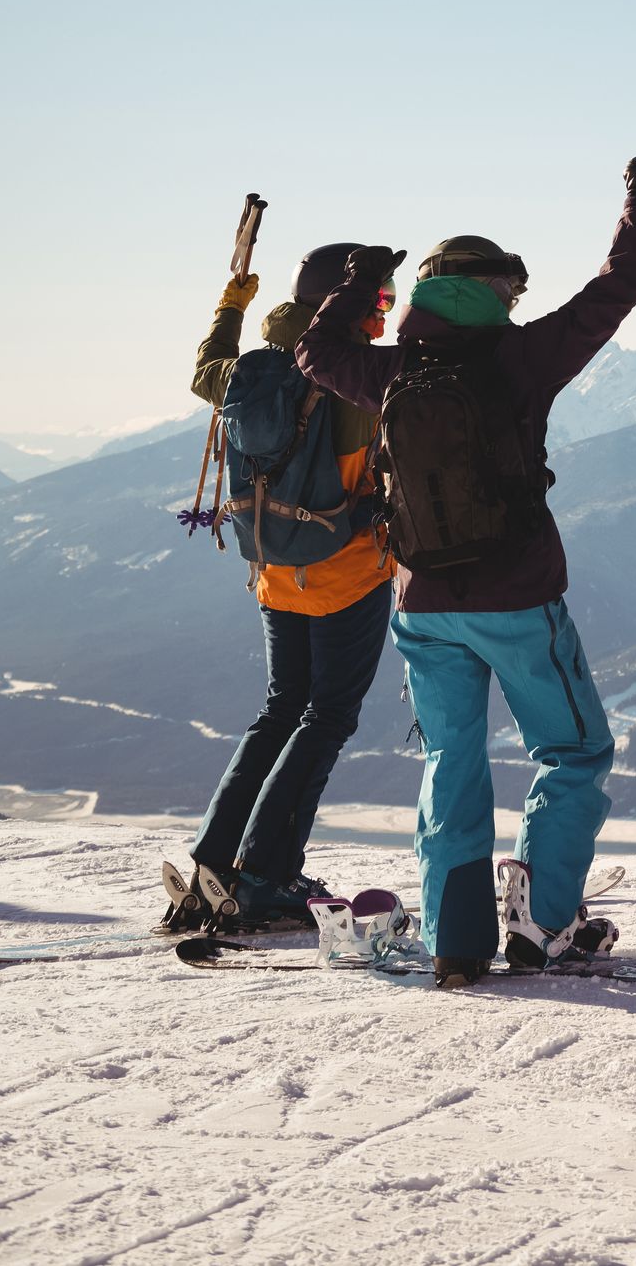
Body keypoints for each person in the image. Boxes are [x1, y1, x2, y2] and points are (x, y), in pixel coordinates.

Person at [296, 158, 636, 987]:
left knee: (451, 761)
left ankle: (459, 940)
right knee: (573, 751)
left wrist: (359, 282)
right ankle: (541, 926)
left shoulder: (392, 369)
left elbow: (313, 350)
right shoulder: (523, 359)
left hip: (421, 602)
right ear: (495, 290)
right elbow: (618, 287)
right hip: (518, 597)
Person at [165, 243, 399, 932]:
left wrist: (232, 304)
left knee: (279, 710)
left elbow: (203, 366)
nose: (383, 309)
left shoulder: (246, 373)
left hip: (272, 572)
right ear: (343, 300)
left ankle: (215, 861)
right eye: (377, 298)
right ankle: (267, 874)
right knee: (326, 717)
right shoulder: (352, 378)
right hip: (347, 572)